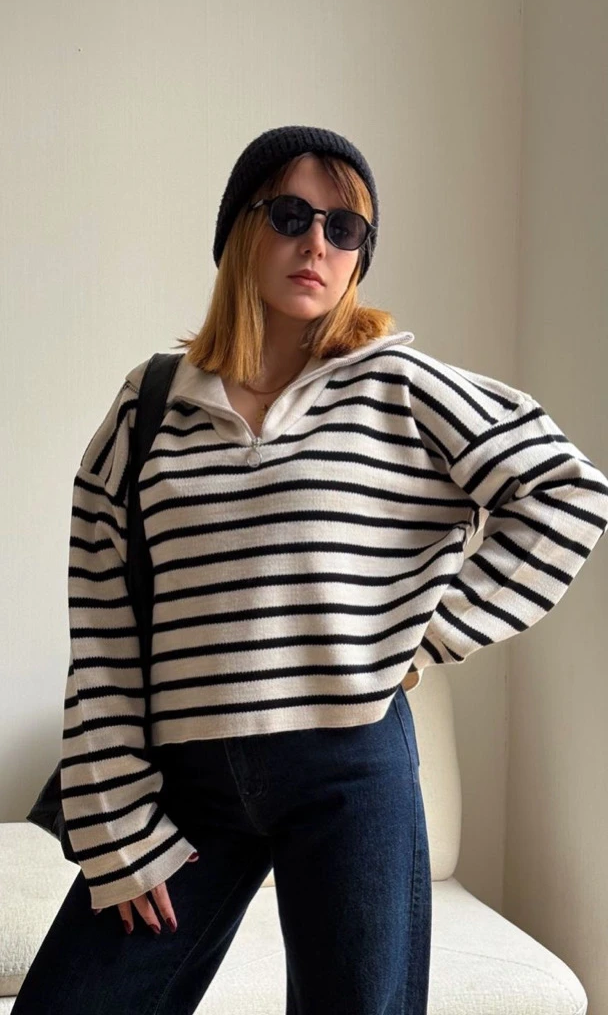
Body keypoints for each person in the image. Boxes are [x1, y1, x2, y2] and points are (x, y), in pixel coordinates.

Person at [15, 125, 608, 1014]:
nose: (317, 243)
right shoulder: (151, 404)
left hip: (350, 770)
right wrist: (116, 823)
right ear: (239, 232)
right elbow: (102, 627)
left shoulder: (400, 385)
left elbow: (566, 490)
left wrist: (427, 636)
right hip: (186, 785)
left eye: (345, 227)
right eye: (290, 215)